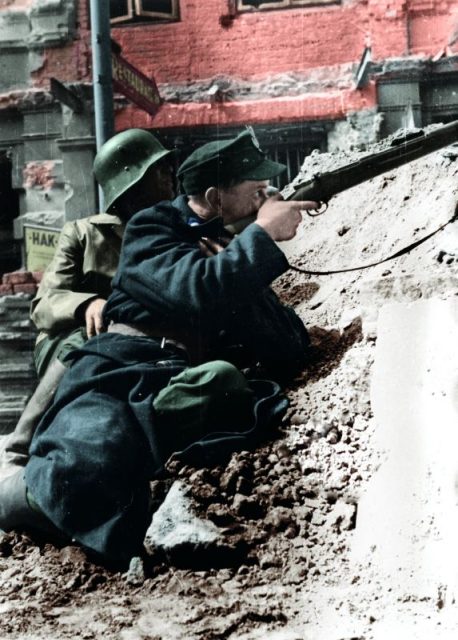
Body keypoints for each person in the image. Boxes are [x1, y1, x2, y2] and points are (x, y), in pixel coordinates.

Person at [3, 128, 318, 568]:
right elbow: (195, 289)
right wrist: (258, 239)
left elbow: (290, 342)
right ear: (216, 196)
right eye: (257, 190)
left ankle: (146, 458)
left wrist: (241, 267)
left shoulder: (225, 249)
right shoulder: (152, 228)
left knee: (223, 383)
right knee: (83, 466)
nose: (267, 198)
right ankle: (17, 494)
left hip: (174, 373)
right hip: (120, 369)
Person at [0, 128, 175, 478]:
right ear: (132, 182)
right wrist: (88, 305)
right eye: (159, 169)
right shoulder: (83, 233)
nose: (171, 175)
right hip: (74, 345)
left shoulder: (174, 234)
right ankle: (21, 444)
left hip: (140, 346)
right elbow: (45, 304)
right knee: (88, 340)